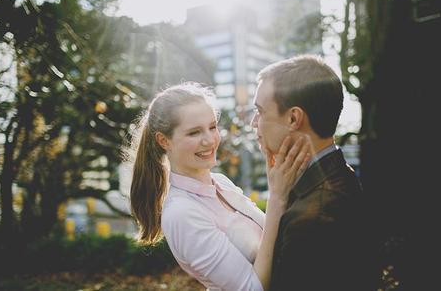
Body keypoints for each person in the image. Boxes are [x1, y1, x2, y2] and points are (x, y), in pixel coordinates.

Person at [128, 82, 311, 291]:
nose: (210, 140)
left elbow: (273, 240)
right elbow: (252, 289)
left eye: (212, 127)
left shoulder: (222, 183)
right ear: (164, 141)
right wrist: (277, 196)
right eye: (194, 132)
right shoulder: (181, 213)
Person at [251, 54, 377, 291]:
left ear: (293, 118)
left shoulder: (311, 221)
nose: (253, 123)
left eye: (260, 111)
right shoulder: (340, 176)